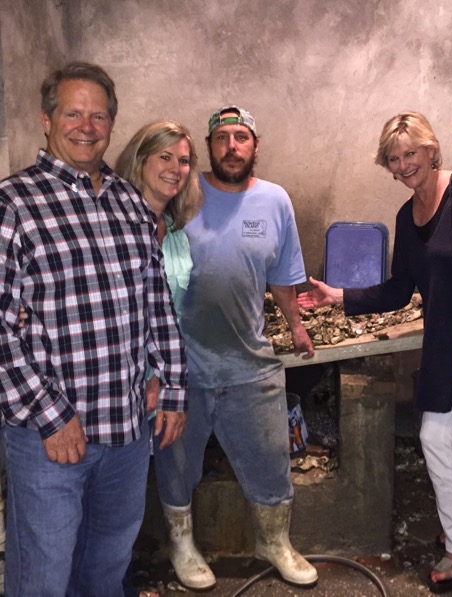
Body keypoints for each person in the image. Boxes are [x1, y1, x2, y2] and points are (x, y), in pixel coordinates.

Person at [0, 62, 187, 596]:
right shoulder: (14, 205)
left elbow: (156, 302)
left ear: (112, 124)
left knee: (106, 568)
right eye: (73, 112)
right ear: (46, 119)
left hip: (128, 432)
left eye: (99, 115)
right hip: (51, 439)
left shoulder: (129, 202)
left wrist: (173, 387)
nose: (87, 126)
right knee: (44, 577)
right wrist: (51, 416)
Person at [298, 111, 452, 593]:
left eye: (411, 153)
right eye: (394, 158)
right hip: (444, 344)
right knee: (435, 439)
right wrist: (338, 295)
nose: (405, 165)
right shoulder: (407, 218)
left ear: (431, 150)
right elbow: (399, 291)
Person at [157, 105, 318, 588]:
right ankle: (181, 544)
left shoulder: (275, 200)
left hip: (249, 359)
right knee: (176, 458)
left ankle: (273, 540)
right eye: (223, 137)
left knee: (271, 456)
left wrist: (295, 324)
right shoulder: (184, 190)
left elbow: (285, 275)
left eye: (241, 137)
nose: (232, 146)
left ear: (255, 145)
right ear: (210, 146)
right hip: (182, 361)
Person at [115, 121, 208, 591]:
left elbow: (167, 313)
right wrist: (148, 374)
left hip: (156, 383)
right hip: (116, 383)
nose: (175, 168)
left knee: (126, 503)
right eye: (164, 157)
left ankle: (130, 571)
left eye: (184, 160)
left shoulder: (173, 233)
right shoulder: (110, 223)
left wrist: (167, 377)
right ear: (140, 159)